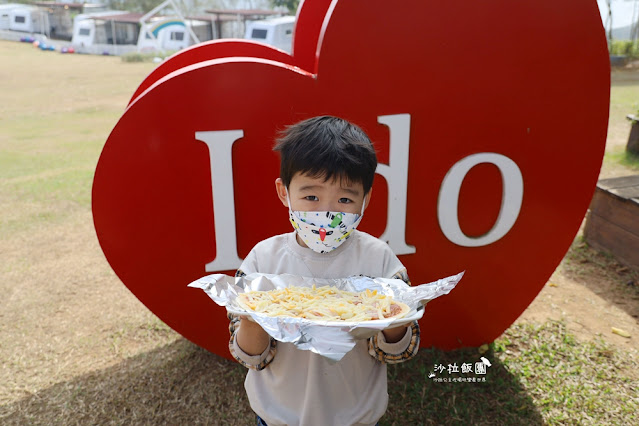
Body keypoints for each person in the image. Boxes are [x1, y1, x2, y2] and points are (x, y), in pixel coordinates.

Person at [228, 116, 420, 426]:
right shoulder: (263, 261)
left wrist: (395, 318)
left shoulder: (379, 260)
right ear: (284, 192)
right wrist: (252, 317)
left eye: (345, 199)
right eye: (311, 197)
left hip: (355, 417)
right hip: (279, 417)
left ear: (366, 199)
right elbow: (251, 357)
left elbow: (397, 352)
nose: (326, 213)